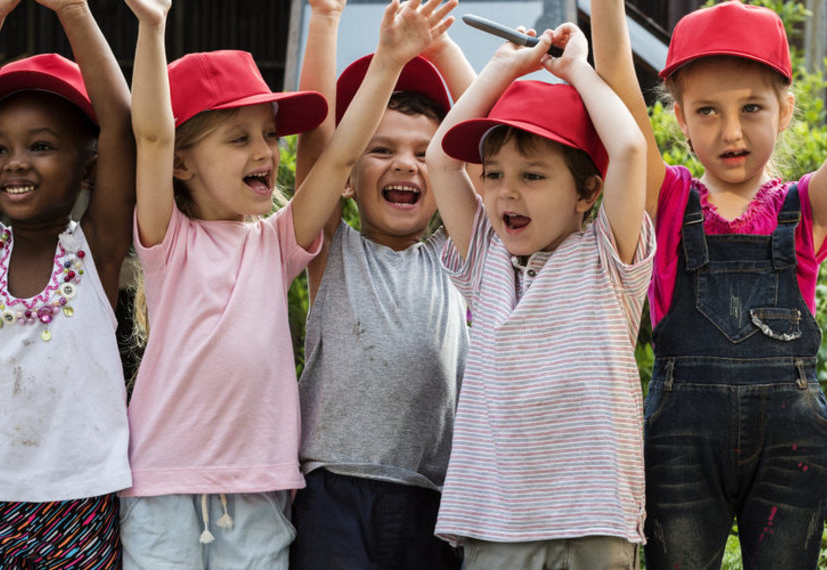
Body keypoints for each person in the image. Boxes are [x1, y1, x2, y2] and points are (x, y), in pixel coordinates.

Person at [120, 0, 452, 567]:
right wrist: (152, 28)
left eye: (269, 135)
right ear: (182, 163)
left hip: (260, 490)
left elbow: (339, 152)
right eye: (239, 137)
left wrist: (391, 61)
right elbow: (151, 137)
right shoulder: (166, 240)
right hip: (164, 487)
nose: (265, 152)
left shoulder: (276, 244)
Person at [590, 0, 827, 566]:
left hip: (791, 452)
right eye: (708, 111)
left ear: (785, 111)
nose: (731, 131)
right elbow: (616, 73)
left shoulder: (805, 209)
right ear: (680, 119)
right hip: (681, 448)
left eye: (752, 107)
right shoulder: (665, 201)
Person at [426, 21, 653, 569]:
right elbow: (440, 159)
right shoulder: (487, 259)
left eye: (533, 175)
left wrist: (577, 69)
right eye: (496, 173)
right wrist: (504, 68)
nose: (506, 190)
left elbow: (626, 147)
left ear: (587, 192)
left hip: (594, 519)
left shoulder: (608, 258)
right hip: (497, 522)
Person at [0, 0, 136, 565]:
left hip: (82, 498)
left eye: (40, 146)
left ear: (88, 168)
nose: (14, 162)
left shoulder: (96, 249)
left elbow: (120, 124)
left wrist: (74, 11)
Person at [288, 1, 470, 568]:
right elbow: (319, 142)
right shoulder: (334, 249)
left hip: (434, 501)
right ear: (345, 180)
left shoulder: (463, 257)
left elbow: (488, 152)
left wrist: (438, 47)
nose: (407, 165)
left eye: (424, 153)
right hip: (333, 493)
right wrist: (324, 18)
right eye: (382, 150)